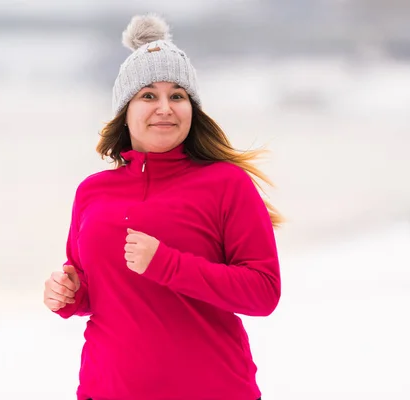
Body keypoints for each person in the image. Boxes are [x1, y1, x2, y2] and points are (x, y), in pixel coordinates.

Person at [43, 13, 283, 400]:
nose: (165, 107)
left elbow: (263, 292)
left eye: (178, 95)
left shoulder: (226, 184)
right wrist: (70, 295)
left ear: (192, 108)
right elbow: (93, 287)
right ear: (125, 109)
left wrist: (167, 265)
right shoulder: (92, 192)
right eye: (148, 95)